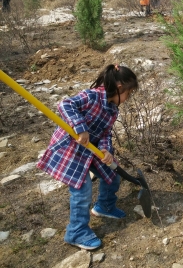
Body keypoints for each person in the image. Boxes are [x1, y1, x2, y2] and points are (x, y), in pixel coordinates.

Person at [37, 64, 139, 250]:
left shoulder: (112, 109)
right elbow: (65, 104)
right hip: (71, 150)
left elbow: (106, 133)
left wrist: (107, 150)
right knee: (82, 189)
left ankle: (104, 207)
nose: (128, 98)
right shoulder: (92, 96)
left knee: (112, 174)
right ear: (119, 87)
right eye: (128, 93)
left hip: (91, 151)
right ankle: (76, 232)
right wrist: (80, 127)